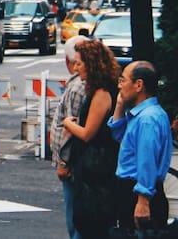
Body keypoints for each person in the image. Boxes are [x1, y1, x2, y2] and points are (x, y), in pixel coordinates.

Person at [61, 38, 120, 238]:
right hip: (96, 165)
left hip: (96, 168)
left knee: (90, 222)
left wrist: (68, 123)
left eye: (79, 63)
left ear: (92, 64)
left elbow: (88, 134)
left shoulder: (101, 93)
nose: (76, 68)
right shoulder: (99, 89)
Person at [107, 60, 173, 233]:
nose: (119, 85)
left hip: (139, 192)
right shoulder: (143, 114)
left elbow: (147, 160)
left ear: (138, 85)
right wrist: (120, 105)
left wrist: (143, 201)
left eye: (123, 80)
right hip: (135, 190)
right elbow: (120, 136)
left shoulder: (147, 119)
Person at [50, 35, 88, 239]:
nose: (76, 67)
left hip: (72, 164)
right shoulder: (79, 84)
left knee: (74, 217)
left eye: (79, 63)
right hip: (76, 162)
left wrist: (63, 163)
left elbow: (71, 129)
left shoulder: (77, 87)